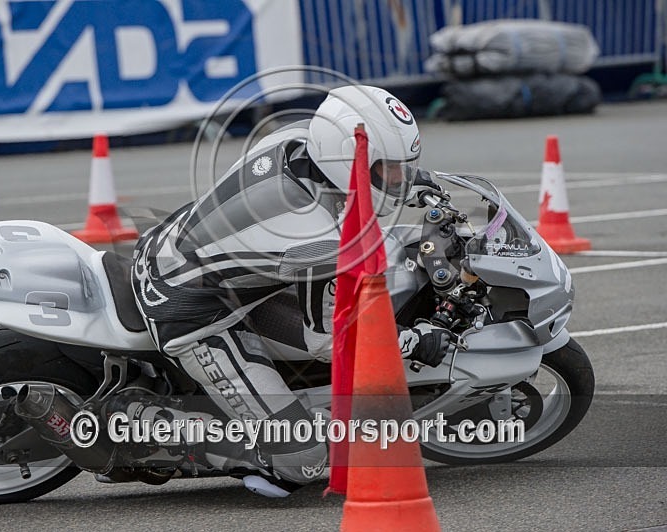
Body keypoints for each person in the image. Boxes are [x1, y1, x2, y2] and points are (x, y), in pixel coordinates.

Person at [129, 85, 450, 497]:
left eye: (403, 168)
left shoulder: (298, 136)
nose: (397, 180)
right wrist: (412, 340)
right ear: (346, 156)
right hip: (191, 314)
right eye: (388, 170)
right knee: (305, 460)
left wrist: (413, 179)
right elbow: (329, 338)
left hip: (181, 254)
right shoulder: (313, 237)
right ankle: (145, 423)